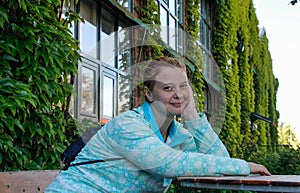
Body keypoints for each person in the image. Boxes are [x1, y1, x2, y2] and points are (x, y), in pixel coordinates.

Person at [46, 56, 271, 193]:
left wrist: (191, 113)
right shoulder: (128, 125)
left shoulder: (178, 136)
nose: (178, 94)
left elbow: (222, 163)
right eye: (167, 88)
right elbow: (169, 164)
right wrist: (244, 165)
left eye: (183, 86)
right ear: (149, 94)